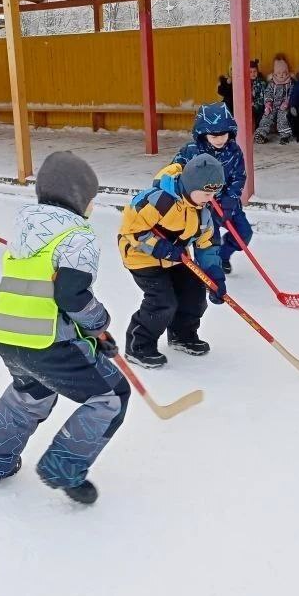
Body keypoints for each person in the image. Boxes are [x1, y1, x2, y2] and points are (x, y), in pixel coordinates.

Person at [0, 152, 128, 505]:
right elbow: (71, 295)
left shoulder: (27, 230)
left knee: (30, 396)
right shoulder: (78, 237)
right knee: (111, 395)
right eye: (91, 198)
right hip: (46, 341)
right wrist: (98, 323)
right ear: (78, 197)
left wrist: (89, 336)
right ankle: (63, 467)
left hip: (10, 337)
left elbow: (46, 292)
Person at [119, 154, 227, 369]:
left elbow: (207, 244)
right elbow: (134, 229)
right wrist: (159, 247)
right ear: (189, 185)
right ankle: (138, 346)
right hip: (141, 256)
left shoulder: (203, 211)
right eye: (206, 192)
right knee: (162, 302)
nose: (210, 197)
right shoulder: (160, 199)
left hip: (177, 256)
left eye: (214, 193)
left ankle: (181, 334)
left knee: (194, 292)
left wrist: (214, 275)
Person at [173, 101, 250, 274]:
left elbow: (239, 176)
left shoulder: (233, 150)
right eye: (214, 136)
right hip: (204, 207)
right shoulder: (191, 151)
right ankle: (211, 269)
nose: (220, 139)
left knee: (244, 235)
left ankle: (223, 255)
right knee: (209, 241)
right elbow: (175, 173)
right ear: (202, 134)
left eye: (224, 134)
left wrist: (231, 199)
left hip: (229, 204)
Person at [254, 55, 294, 145]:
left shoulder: (290, 83)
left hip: (284, 105)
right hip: (273, 104)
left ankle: (285, 135)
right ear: (275, 73)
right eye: (279, 73)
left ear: (287, 72)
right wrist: (268, 103)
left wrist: (287, 102)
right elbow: (268, 92)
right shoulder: (272, 83)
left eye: (284, 73)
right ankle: (261, 134)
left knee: (282, 116)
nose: (281, 75)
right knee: (267, 115)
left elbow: (292, 93)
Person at [249, 59, 268, 131]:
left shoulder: (261, 82)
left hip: (259, 105)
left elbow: (263, 97)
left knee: (259, 114)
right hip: (249, 105)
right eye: (250, 72)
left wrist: (254, 104)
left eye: (254, 71)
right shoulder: (245, 82)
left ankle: (259, 130)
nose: (253, 74)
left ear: (257, 71)